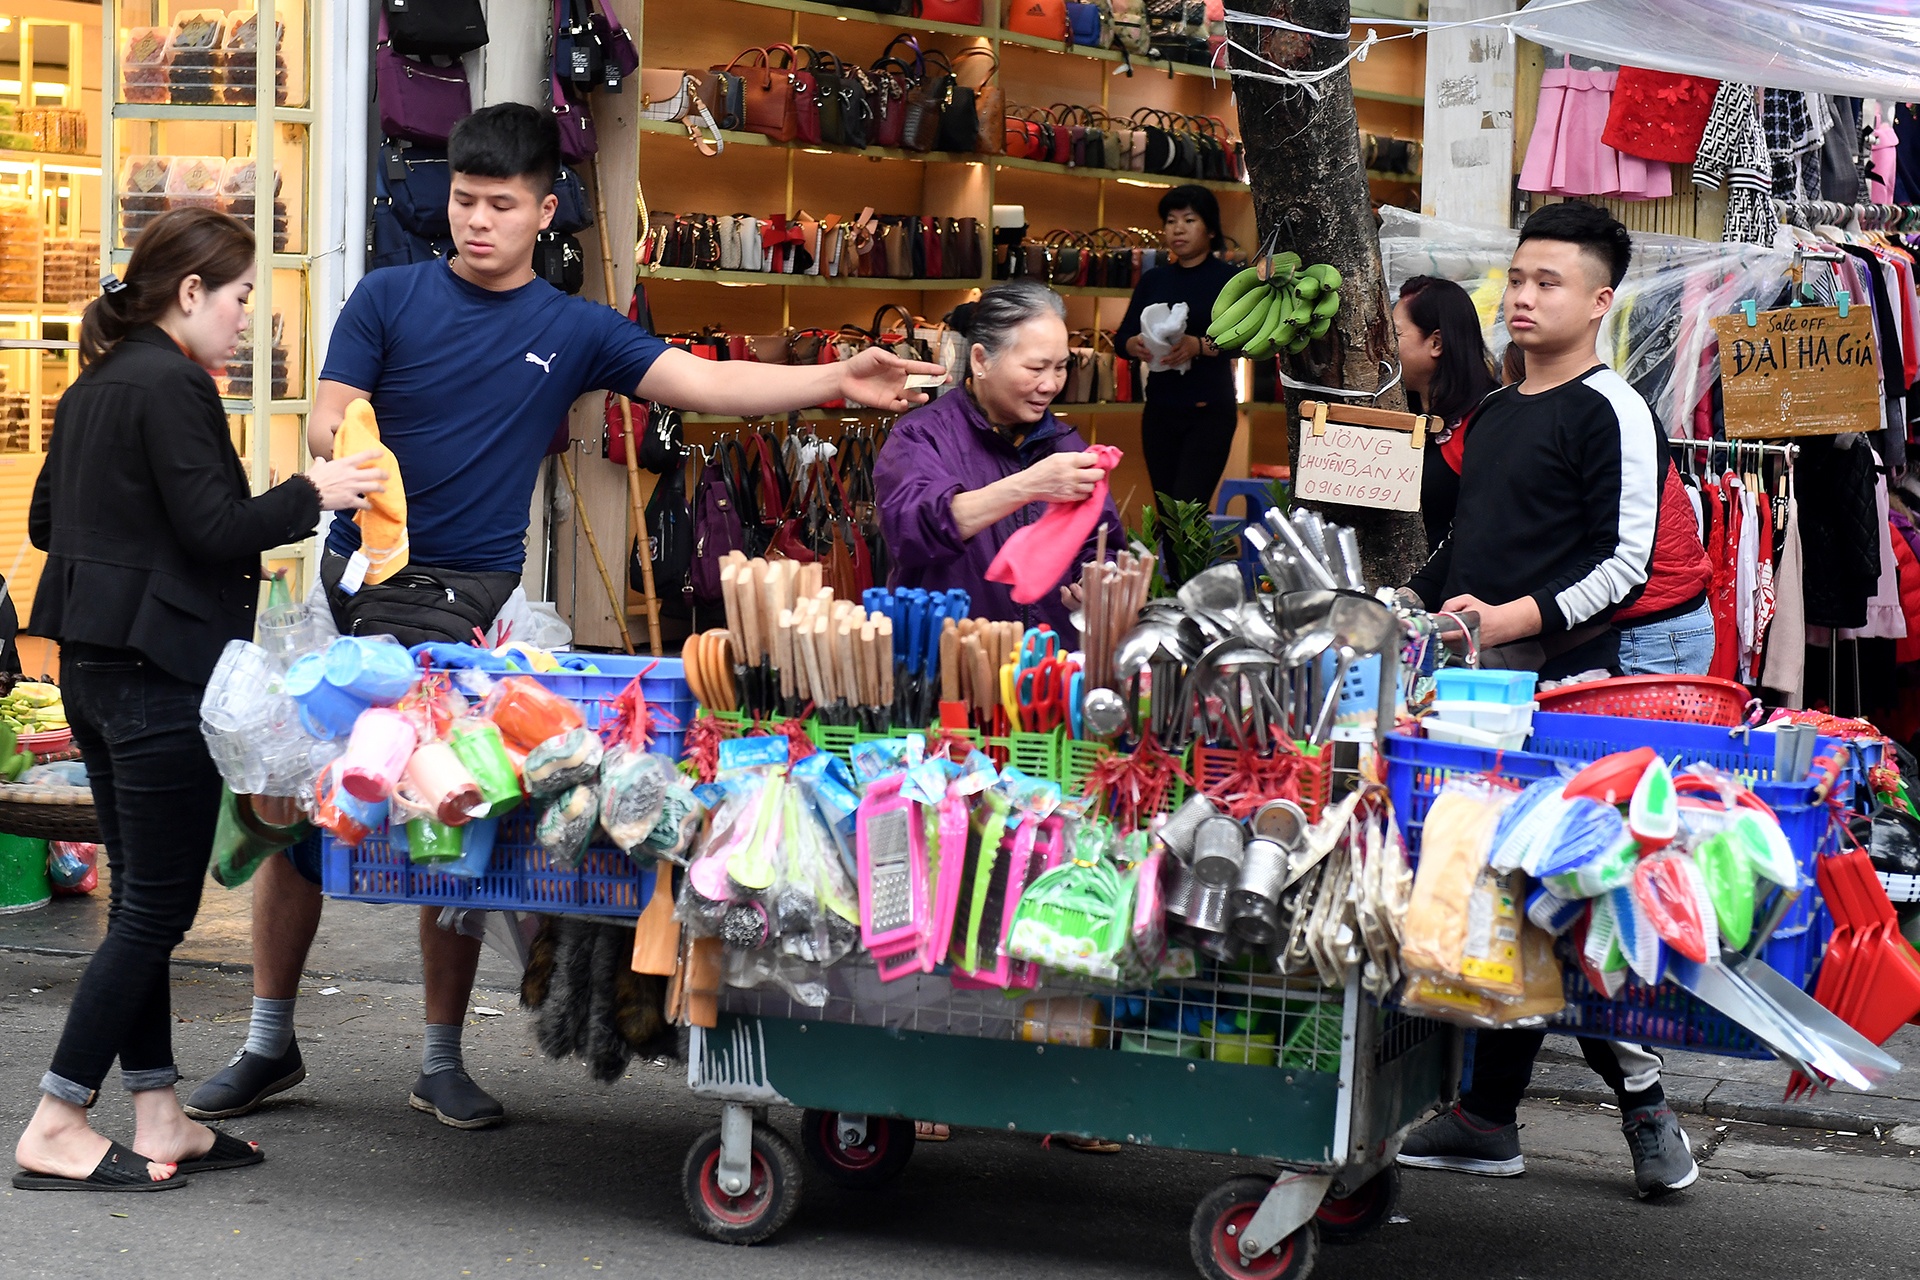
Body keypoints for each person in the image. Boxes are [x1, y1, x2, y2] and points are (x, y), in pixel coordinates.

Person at [184, 104, 942, 1132]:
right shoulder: (386, 295)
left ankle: (440, 1057)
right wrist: (341, 442)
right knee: (291, 811)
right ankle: (268, 1039)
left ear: (545, 211)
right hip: (357, 591)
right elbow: (329, 406)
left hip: (477, 610)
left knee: (455, 818)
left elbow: (706, 381)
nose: (477, 222)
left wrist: (836, 378)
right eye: (462, 201)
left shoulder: (573, 328)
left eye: (501, 205)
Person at [12, 208, 387, 1191]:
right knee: (154, 913)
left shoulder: (101, 378)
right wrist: (316, 489)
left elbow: (51, 516)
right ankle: (56, 1116)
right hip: (152, 678)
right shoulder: (173, 382)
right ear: (191, 294)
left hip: (89, 670)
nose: (245, 313)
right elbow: (219, 528)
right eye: (240, 296)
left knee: (139, 902)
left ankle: (160, 1112)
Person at [1396, 202, 1698, 1198]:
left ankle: (1647, 1104)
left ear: (1601, 299)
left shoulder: (1614, 408)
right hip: (1472, 689)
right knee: (1485, 894)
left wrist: (1510, 617)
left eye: (1549, 282)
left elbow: (1623, 564)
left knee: (1564, 903)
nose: (1522, 296)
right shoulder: (1491, 410)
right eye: (1517, 277)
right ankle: (1486, 1113)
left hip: (1569, 692)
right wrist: (1415, 599)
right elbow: (1470, 541)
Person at [875, 279, 1120, 637]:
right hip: (954, 661)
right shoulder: (922, 436)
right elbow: (913, 532)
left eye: (1061, 367)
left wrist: (1098, 582)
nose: (1051, 384)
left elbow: (1100, 541)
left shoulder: (1066, 445)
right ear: (980, 360)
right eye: (1036, 369)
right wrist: (1029, 484)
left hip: (1048, 665)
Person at [1499, 347, 1715, 676]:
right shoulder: (1593, 414)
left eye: (1511, 387)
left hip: (1649, 631)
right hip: (1648, 624)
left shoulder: (1589, 422)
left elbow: (1606, 552)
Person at [1115, 186, 1240, 508]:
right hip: (1159, 410)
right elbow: (1122, 340)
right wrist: (1136, 345)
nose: (1178, 229)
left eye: (1189, 219)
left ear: (1210, 229)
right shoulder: (1154, 280)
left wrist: (1198, 345)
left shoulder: (1230, 280)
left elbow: (1244, 341)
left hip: (1209, 412)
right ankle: (1170, 562)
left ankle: (1192, 561)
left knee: (1188, 510)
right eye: (1170, 221)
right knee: (1167, 512)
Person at [1394, 276, 1498, 552]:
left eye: (1395, 335)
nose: (1386, 347)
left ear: (1436, 343)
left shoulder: (1488, 420)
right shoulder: (1402, 412)